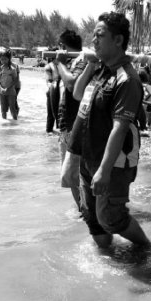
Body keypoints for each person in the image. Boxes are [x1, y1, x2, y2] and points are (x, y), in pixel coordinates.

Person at [68, 11, 150, 249]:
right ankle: (110, 265)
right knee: (93, 219)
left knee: (111, 218)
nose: (93, 40)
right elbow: (77, 94)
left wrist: (104, 171)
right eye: (93, 35)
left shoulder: (127, 79)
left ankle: (147, 249)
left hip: (112, 161)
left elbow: (120, 127)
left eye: (100, 35)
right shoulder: (101, 68)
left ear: (118, 41)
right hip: (88, 154)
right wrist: (90, 66)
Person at [54, 29, 87, 212]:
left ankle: (85, 213)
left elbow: (72, 84)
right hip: (71, 126)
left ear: (62, 47)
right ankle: (85, 213)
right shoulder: (76, 61)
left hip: (75, 128)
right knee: (75, 175)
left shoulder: (79, 61)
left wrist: (59, 63)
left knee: (73, 174)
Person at [0, 49, 19, 120]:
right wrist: (1, 88)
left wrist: (8, 88)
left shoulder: (13, 69)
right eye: (1, 59)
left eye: (5, 59)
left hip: (11, 91)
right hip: (1, 92)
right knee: (3, 109)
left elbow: (15, 80)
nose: (3, 61)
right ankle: (4, 123)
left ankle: (15, 123)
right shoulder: (0, 69)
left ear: (9, 59)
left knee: (12, 108)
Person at [45, 57, 60, 133]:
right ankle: (49, 131)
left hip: (60, 90)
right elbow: (49, 81)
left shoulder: (62, 65)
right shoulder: (49, 67)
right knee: (51, 113)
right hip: (52, 91)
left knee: (60, 112)